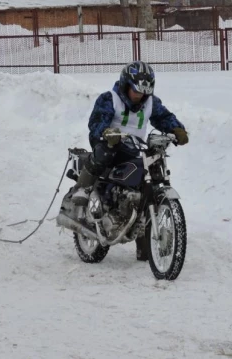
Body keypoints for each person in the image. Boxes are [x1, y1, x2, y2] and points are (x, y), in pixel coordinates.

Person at [71, 61, 189, 260]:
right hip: (109, 145)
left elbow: (164, 117)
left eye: (145, 90)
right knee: (107, 149)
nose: (139, 95)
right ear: (126, 84)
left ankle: (145, 247)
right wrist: (107, 132)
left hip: (135, 148)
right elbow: (96, 123)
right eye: (136, 90)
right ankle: (84, 189)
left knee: (148, 183)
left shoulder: (151, 103)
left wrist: (177, 129)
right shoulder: (110, 99)